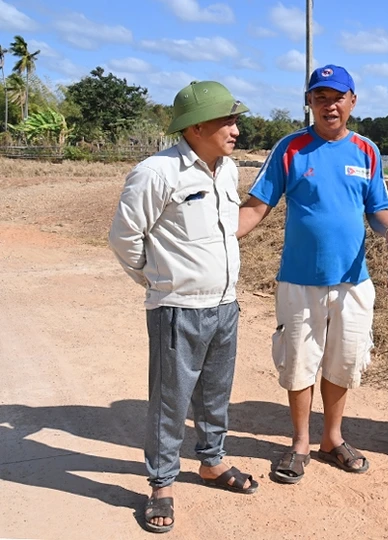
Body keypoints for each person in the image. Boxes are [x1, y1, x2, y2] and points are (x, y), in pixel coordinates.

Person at [238, 64, 388, 484]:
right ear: (309, 102)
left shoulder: (367, 150)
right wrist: (220, 236)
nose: (329, 105)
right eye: (321, 97)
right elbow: (257, 206)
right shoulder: (290, 148)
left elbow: (378, 209)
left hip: (353, 281)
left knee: (343, 361)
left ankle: (332, 439)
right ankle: (300, 443)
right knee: (299, 361)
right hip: (299, 280)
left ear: (353, 101)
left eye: (338, 97)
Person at [109, 81, 258, 534]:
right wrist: (157, 279)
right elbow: (124, 238)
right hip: (177, 307)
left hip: (225, 304)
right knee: (170, 401)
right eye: (227, 121)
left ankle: (212, 461)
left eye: (236, 120)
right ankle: (161, 484)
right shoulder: (157, 173)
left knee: (215, 393)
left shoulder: (227, 171)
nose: (236, 130)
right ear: (195, 128)